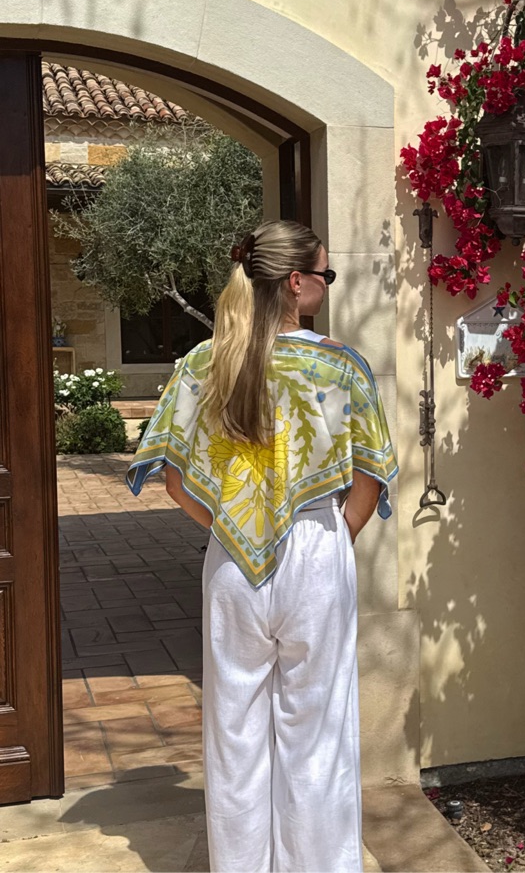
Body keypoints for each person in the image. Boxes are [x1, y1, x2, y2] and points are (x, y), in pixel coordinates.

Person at [126, 220, 397, 873]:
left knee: (235, 736)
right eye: (326, 275)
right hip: (316, 550)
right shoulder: (339, 365)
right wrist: (331, 541)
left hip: (232, 561)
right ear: (296, 282)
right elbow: (369, 477)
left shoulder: (203, 362)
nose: (328, 286)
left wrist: (229, 527)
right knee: (318, 738)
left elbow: (173, 479)